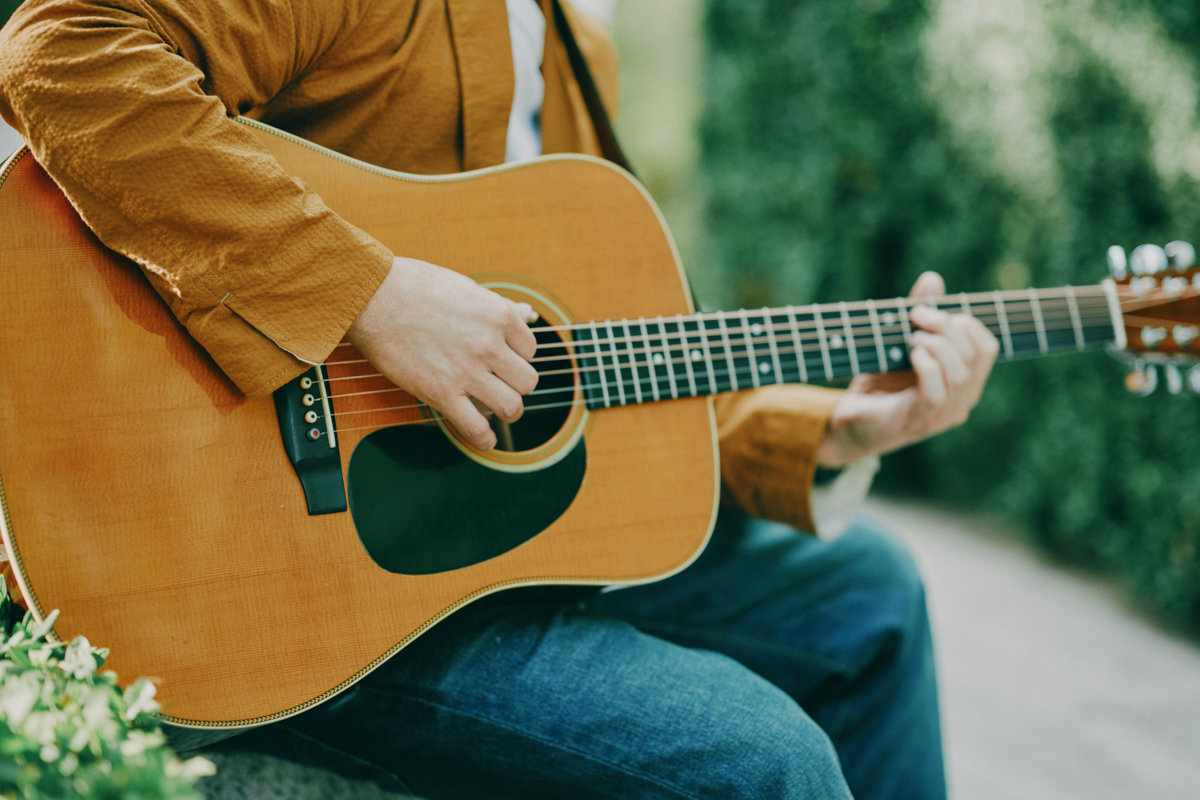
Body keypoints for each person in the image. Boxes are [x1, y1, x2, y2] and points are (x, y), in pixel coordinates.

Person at [0, 1, 998, 797]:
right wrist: (371, 294)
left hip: (480, 539)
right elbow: (61, 53)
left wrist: (839, 428)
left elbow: (595, 370)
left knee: (871, 592)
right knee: (766, 760)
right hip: (299, 576)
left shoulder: (575, 46)